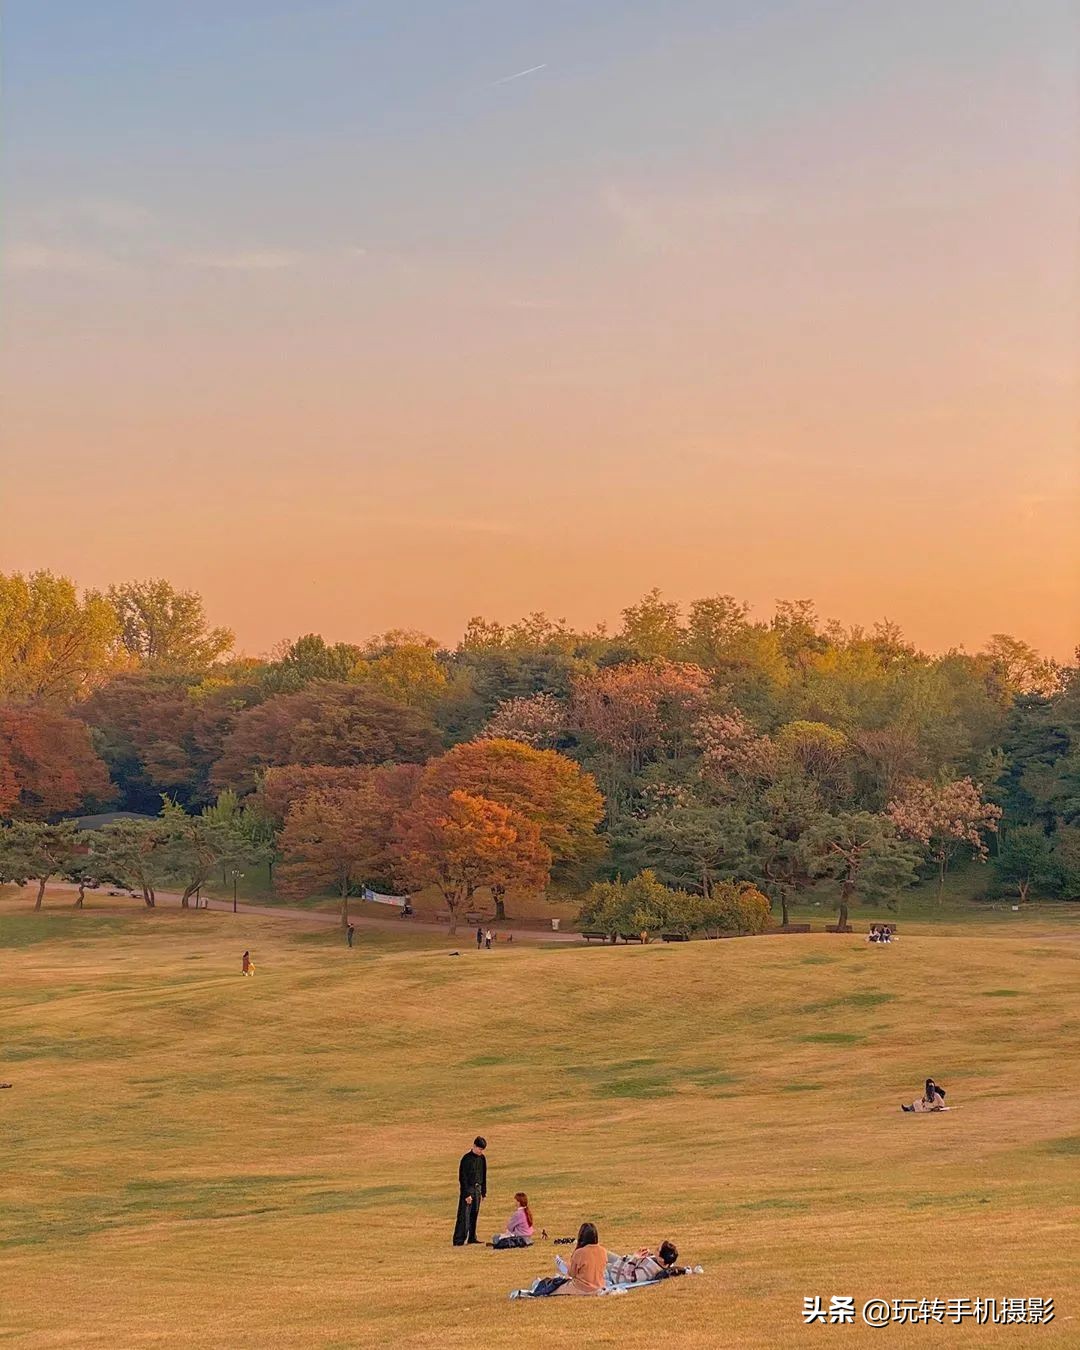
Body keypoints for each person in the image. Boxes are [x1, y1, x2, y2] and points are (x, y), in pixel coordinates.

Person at [552, 1223, 608, 1296]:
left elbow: (572, 1274)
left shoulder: (579, 1253)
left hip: (582, 1288)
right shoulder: (603, 1251)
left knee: (552, 1288)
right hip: (599, 1286)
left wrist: (565, 1265)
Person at [453, 1136, 487, 1245]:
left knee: (474, 1214)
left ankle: (472, 1237)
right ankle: (459, 1240)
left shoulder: (482, 1158)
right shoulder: (466, 1159)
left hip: (478, 1188)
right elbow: (463, 1178)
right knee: (464, 1216)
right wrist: (466, 1194)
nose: (481, 1151)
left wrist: (483, 1192)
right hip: (469, 1189)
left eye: (482, 1150)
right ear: (474, 1146)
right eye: (479, 1149)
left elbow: (484, 1175)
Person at [607, 1240, 691, 1284]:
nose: (655, 1249)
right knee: (601, 1251)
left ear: (661, 1259)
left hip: (616, 1272)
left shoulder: (649, 1271)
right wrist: (645, 1254)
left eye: (658, 1250)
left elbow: (630, 1277)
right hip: (622, 1261)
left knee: (596, 1258)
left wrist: (635, 1258)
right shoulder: (666, 1262)